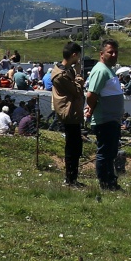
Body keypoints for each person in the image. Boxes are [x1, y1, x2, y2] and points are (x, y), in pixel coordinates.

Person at [84, 39, 126, 191]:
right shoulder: (101, 70)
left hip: (111, 119)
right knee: (105, 152)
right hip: (105, 119)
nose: (114, 55)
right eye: (110, 52)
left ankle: (110, 180)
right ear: (102, 54)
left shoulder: (108, 69)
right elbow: (91, 94)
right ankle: (105, 183)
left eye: (116, 52)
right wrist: (92, 107)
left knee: (111, 152)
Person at [51, 42, 86, 186]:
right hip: (69, 113)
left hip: (72, 112)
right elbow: (76, 90)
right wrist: (78, 75)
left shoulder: (65, 70)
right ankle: (71, 179)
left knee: (76, 147)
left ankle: (73, 178)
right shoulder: (60, 75)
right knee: (72, 148)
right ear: (74, 55)